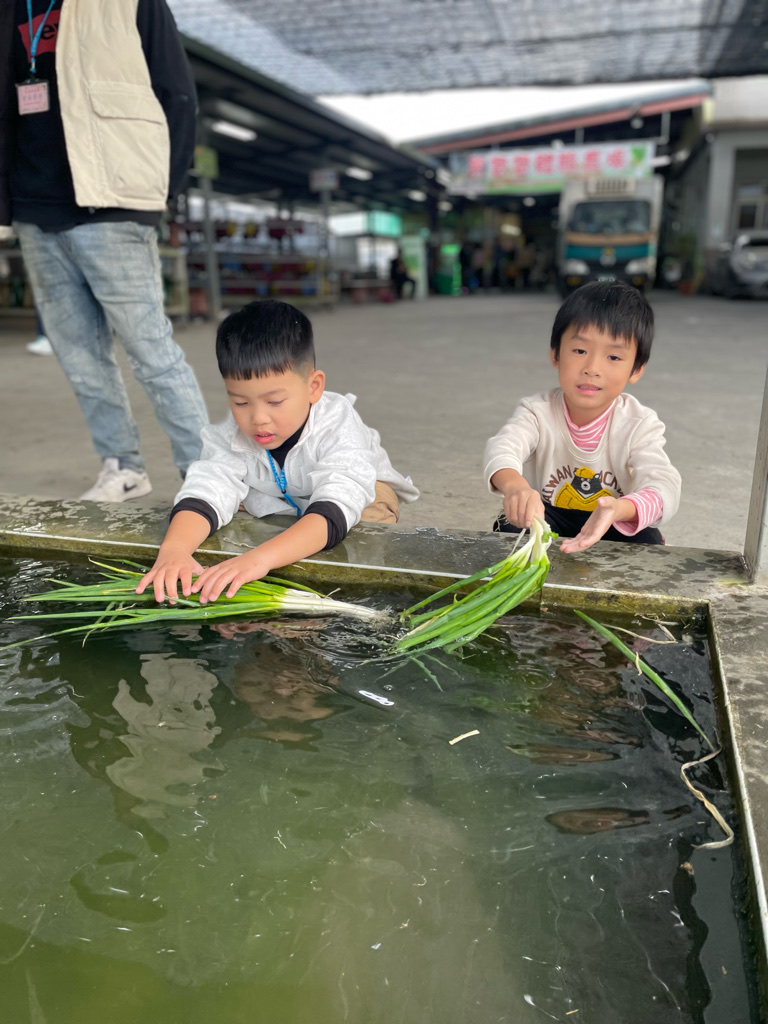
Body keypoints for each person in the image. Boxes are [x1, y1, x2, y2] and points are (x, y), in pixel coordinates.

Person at [0, 0, 209, 502]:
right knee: (80, 357)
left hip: (113, 204)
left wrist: (162, 190)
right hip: (34, 210)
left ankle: (206, 473)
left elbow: (177, 92)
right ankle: (123, 466)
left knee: (150, 350)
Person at [137, 299, 419, 603]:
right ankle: (285, 536)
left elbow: (337, 505)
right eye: (241, 402)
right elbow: (206, 488)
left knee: (367, 513)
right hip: (276, 497)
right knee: (218, 502)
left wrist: (258, 560)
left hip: (355, 496)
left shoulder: (338, 424)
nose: (258, 418)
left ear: (313, 387)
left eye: (274, 402)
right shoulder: (231, 433)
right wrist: (174, 551)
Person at [483, 281, 681, 553]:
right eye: (580, 351)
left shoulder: (639, 424)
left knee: (648, 542)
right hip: (549, 516)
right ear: (556, 354)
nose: (592, 368)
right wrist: (516, 487)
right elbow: (502, 448)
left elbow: (664, 486)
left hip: (613, 520)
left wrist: (621, 508)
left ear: (636, 369)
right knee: (510, 525)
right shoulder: (537, 411)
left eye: (613, 357)